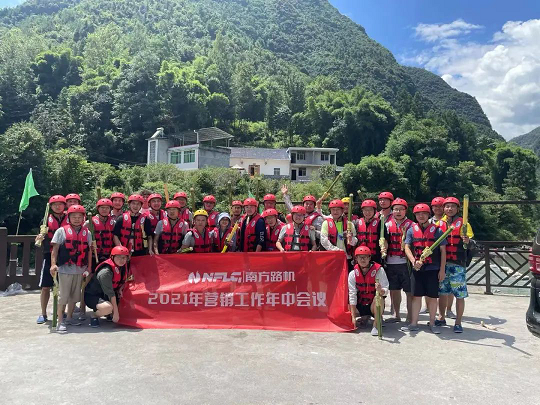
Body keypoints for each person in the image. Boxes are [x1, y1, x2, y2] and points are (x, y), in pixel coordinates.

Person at [402, 204, 447, 334]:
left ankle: (432, 323)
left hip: (433, 268)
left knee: (432, 297)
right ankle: (414, 323)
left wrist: (442, 270)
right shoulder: (411, 230)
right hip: (417, 268)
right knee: (416, 296)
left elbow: (443, 251)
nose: (421, 216)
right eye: (418, 214)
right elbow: (407, 247)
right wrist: (413, 261)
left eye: (424, 214)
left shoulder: (437, 231)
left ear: (428, 215)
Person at [50, 205, 93, 332]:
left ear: (83, 218)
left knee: (74, 297)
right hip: (65, 269)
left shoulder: (87, 233)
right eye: (74, 217)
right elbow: (55, 250)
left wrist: (89, 267)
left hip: (80, 269)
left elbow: (89, 251)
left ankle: (69, 318)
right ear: (68, 218)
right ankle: (60, 321)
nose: (77, 219)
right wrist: (53, 264)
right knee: (63, 296)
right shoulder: (61, 231)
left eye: (79, 217)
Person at [436, 197, 475, 333]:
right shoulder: (439, 224)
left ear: (458, 209)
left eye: (453, 206)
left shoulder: (464, 224)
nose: (450, 209)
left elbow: (472, 244)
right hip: (443, 264)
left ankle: (458, 322)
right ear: (443, 209)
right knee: (442, 292)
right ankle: (441, 317)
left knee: (459, 294)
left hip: (458, 264)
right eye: (447, 206)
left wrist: (468, 241)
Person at [35, 195, 68, 324]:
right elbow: (40, 236)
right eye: (55, 205)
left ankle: (62, 312)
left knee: (63, 287)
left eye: (60, 204)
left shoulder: (70, 218)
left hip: (65, 255)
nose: (58, 206)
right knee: (45, 286)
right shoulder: (45, 220)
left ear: (64, 205)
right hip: (49, 255)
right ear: (51, 207)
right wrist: (39, 237)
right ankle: (43, 313)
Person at [383, 198, 414, 323]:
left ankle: (410, 316)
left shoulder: (411, 225)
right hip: (391, 262)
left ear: (405, 211)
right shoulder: (386, 225)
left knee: (409, 291)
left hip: (406, 263)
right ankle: (396, 315)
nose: (398, 212)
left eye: (401, 209)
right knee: (394, 290)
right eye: (396, 209)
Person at [84, 246, 129, 328]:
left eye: (124, 258)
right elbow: (111, 294)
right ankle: (94, 315)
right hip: (93, 296)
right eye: (119, 257)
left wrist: (121, 288)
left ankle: (109, 313)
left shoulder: (122, 267)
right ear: (112, 257)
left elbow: (122, 281)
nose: (122, 260)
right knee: (108, 308)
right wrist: (116, 313)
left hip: (106, 296)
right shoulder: (105, 272)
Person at [348, 246, 388, 336]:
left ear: (369, 258)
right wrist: (353, 317)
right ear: (356, 258)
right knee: (347, 301)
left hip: (373, 304)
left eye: (365, 257)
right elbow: (352, 294)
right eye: (360, 257)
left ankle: (376, 324)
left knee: (379, 298)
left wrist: (380, 290)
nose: (363, 260)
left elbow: (386, 290)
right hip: (361, 304)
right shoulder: (352, 274)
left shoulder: (379, 270)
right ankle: (364, 317)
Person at [320, 199, 357, 270]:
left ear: (342, 211)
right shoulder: (326, 223)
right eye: (333, 210)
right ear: (330, 211)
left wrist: (351, 239)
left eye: (338, 210)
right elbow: (324, 240)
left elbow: (355, 242)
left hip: (346, 257)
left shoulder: (349, 224)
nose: (335, 212)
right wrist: (336, 250)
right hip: (331, 256)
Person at [356, 199, 383, 265]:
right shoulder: (357, 223)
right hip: (361, 255)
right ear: (362, 211)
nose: (367, 212)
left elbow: (385, 239)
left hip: (375, 256)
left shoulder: (380, 223)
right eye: (365, 210)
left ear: (374, 211)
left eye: (370, 210)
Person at [89, 198, 116, 264]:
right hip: (95, 256)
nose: (104, 210)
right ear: (98, 209)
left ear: (110, 209)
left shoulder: (113, 222)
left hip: (109, 255)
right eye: (102, 207)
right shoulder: (90, 222)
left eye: (107, 208)